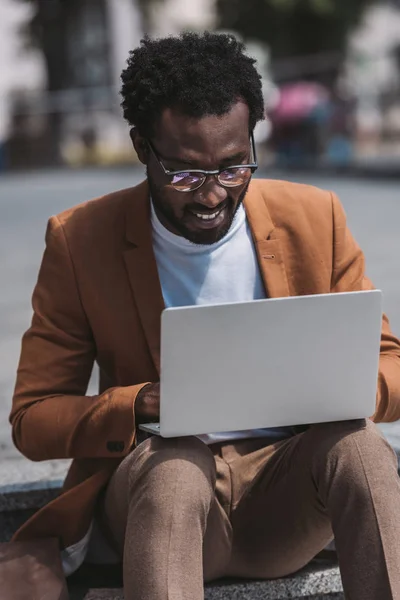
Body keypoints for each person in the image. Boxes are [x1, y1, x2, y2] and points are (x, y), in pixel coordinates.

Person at [10, 32, 400, 600]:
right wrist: (140, 404)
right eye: (185, 173)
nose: (212, 195)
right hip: (160, 498)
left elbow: (392, 365)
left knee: (361, 449)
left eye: (234, 167)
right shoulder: (80, 241)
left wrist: (339, 386)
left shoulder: (315, 217)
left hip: (283, 499)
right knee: (174, 465)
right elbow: (32, 418)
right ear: (143, 147)